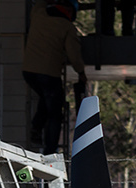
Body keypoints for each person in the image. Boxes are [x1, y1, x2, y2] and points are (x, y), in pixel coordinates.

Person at [21, 0, 87, 155]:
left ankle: (36, 128)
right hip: (49, 74)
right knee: (55, 113)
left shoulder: (39, 15)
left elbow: (40, 3)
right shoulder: (67, 28)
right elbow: (74, 55)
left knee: (46, 98)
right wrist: (81, 73)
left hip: (29, 72)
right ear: (70, 12)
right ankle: (50, 150)